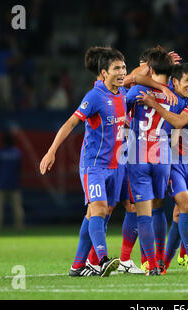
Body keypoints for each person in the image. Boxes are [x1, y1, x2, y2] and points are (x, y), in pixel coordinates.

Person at [40, 48, 127, 277]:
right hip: (94, 166)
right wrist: (51, 152)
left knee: (97, 215)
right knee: (97, 209)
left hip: (116, 166)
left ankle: (78, 266)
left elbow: (137, 76)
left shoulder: (123, 93)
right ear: (103, 73)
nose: (122, 72)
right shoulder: (95, 97)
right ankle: (102, 260)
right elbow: (70, 123)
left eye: (123, 68)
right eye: (116, 68)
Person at [139, 63, 188, 274]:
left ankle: (163, 264)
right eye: (187, 80)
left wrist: (155, 105)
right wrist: (151, 65)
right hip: (171, 162)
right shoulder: (166, 93)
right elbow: (137, 79)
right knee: (185, 206)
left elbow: (179, 122)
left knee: (181, 215)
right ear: (174, 81)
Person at [126, 46, 182, 276]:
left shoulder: (138, 90)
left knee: (143, 213)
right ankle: (160, 259)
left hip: (138, 155)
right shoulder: (174, 95)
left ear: (149, 69)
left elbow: (123, 102)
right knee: (159, 207)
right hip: (162, 158)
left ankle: (152, 265)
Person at [0, 131, 25, 231]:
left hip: (0, 185)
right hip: (14, 185)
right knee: (18, 209)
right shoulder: (17, 153)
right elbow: (20, 169)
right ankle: (19, 228)